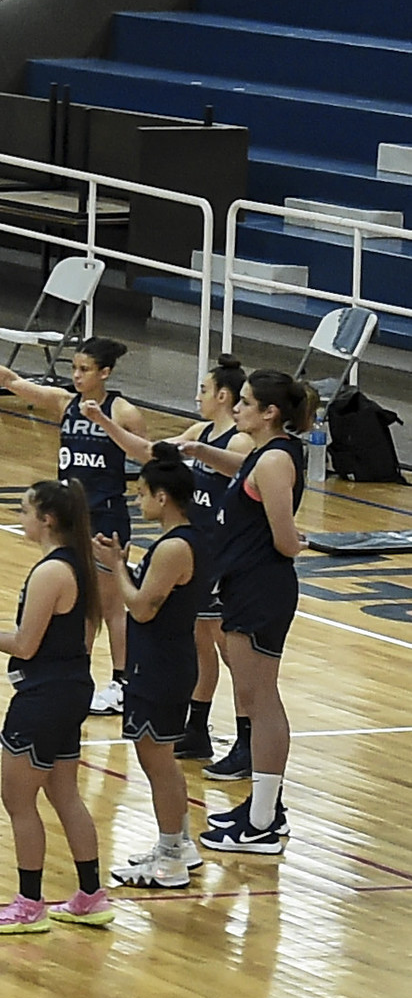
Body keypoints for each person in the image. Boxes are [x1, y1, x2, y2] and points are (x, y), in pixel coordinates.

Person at [0, 481, 111, 932]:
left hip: (43, 696)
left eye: (24, 511)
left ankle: (29, 904)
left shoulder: (51, 573)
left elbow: (24, 644)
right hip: (73, 687)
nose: (20, 519)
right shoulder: (82, 566)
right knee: (64, 793)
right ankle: (91, 894)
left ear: (47, 519)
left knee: (18, 801)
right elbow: (81, 635)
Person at [0, 331, 146, 712]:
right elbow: (11, 381)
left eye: (85, 370)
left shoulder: (124, 412)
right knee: (82, 606)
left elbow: (145, 456)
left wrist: (104, 422)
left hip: (105, 514)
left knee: (109, 605)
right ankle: (80, 675)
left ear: (104, 373)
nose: (76, 376)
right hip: (71, 516)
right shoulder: (65, 402)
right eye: (73, 368)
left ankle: (123, 684)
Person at [167, 368, 312, 856]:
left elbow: (284, 538)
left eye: (246, 402)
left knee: (262, 699)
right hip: (245, 585)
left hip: (261, 588)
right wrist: (203, 452)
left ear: (270, 413)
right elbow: (244, 475)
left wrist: (301, 543)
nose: (237, 409)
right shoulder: (263, 455)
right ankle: (264, 810)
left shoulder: (273, 462)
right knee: (255, 694)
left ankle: (264, 821)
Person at [100, 363, 254, 774]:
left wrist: (201, 454)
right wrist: (103, 422)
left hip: (221, 556)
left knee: (231, 651)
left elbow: (241, 471)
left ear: (223, 395)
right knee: (201, 642)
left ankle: (248, 739)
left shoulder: (238, 440)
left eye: (204, 389)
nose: (198, 396)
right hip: (194, 555)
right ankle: (198, 729)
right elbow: (150, 453)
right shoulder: (197, 433)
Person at [111, 451, 211, 890]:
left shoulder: (173, 546)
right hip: (163, 659)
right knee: (159, 761)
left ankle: (171, 857)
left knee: (158, 762)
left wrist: (116, 567)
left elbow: (143, 608)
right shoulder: (184, 540)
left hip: (161, 663)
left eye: (142, 494)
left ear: (164, 496)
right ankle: (178, 843)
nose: (138, 502)